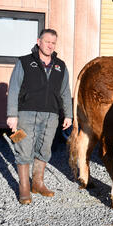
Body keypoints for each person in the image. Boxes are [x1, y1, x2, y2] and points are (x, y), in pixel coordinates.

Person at [7, 29, 72, 205]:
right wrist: (12, 115)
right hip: (26, 113)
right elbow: (13, 89)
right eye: (47, 41)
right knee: (23, 148)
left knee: (44, 149)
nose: (50, 45)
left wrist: (68, 115)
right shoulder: (25, 62)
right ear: (39, 41)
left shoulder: (60, 65)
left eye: (53, 43)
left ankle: (38, 183)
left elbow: (65, 92)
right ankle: (24, 188)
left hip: (51, 115)